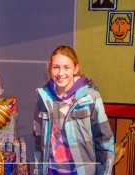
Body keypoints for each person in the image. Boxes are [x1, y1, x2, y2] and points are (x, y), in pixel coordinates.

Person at [33, 45, 114, 175]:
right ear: (50, 68)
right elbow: (39, 141)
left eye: (66, 67)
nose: (60, 73)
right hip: (51, 171)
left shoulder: (91, 97)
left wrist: (105, 172)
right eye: (56, 67)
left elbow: (104, 141)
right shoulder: (42, 98)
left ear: (76, 69)